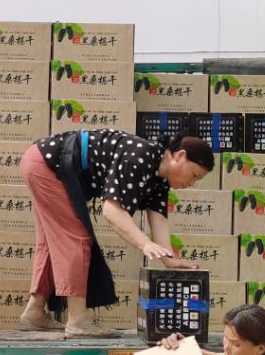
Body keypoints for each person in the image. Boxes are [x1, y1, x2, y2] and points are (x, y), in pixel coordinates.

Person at [17, 130, 213, 338]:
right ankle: (78, 321)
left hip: (43, 163)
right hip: (48, 166)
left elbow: (159, 218)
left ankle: (34, 312)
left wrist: (170, 260)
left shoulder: (158, 178)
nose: (192, 183)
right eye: (194, 175)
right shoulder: (140, 156)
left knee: (52, 243)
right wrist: (144, 243)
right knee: (75, 239)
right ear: (180, 156)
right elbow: (112, 210)